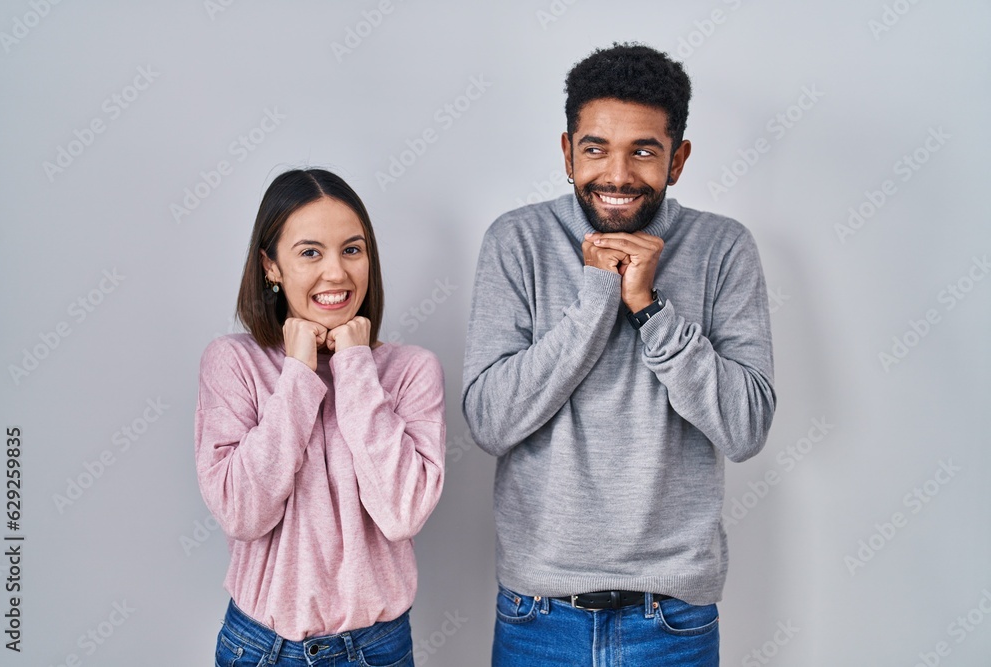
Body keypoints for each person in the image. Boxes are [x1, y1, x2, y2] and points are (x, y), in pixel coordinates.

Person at [462, 43, 776, 666]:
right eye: (596, 148)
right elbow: (490, 423)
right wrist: (598, 296)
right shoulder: (516, 241)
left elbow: (745, 428)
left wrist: (650, 308)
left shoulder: (724, 249)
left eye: (644, 150)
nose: (617, 174)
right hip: (538, 615)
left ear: (678, 159)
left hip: (674, 621)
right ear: (567, 151)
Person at [195, 168, 445, 666]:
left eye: (352, 250)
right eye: (310, 252)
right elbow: (243, 513)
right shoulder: (232, 363)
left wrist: (354, 367)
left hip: (377, 650)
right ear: (271, 266)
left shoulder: (411, 370)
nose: (336, 272)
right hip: (259, 648)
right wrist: (297, 375)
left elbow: (402, 514)